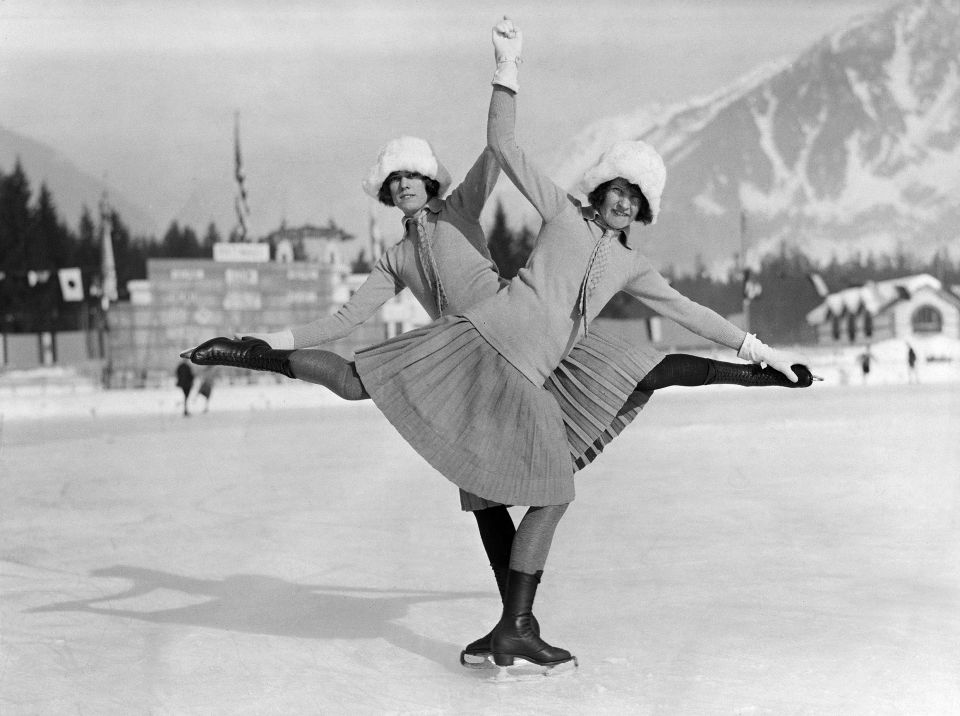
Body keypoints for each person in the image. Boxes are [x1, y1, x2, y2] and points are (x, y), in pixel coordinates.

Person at [182, 18, 813, 671]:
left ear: (643, 209)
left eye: (634, 197)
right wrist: (506, 66)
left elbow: (689, 312)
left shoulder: (609, 260)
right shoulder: (545, 218)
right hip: (475, 343)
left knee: (552, 466)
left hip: (522, 366)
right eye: (615, 190)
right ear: (599, 190)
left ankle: (514, 625)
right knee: (361, 384)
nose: (621, 203)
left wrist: (758, 351)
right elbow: (501, 146)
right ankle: (249, 355)